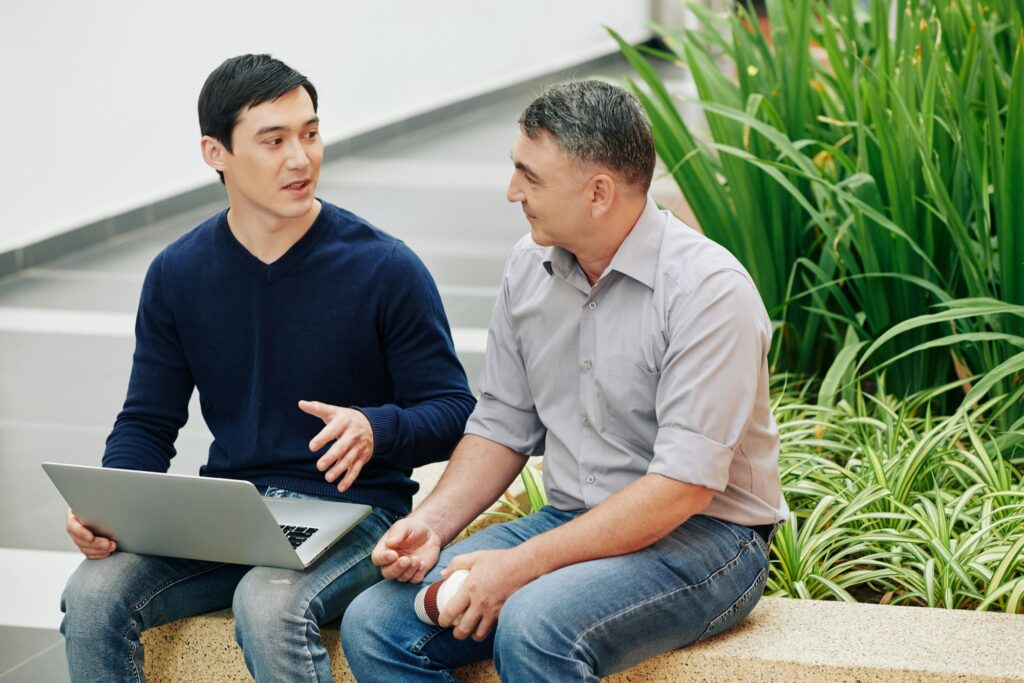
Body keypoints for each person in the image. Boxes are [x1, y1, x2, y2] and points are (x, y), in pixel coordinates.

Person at [341, 80, 789, 682]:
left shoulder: (709, 293)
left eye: (530, 176)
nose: (511, 192)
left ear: (598, 192)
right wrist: (434, 523)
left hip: (709, 540)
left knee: (536, 625)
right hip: (574, 518)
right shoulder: (529, 268)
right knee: (375, 624)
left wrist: (521, 564)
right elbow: (501, 426)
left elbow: (680, 489)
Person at [59, 54, 475, 683]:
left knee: (270, 600)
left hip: (358, 515)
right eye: (274, 140)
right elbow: (147, 420)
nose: (300, 158)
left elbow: (454, 411)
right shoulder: (178, 273)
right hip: (238, 516)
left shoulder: (386, 267)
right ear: (215, 152)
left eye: (310, 134)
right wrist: (111, 507)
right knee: (91, 594)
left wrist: (375, 428)